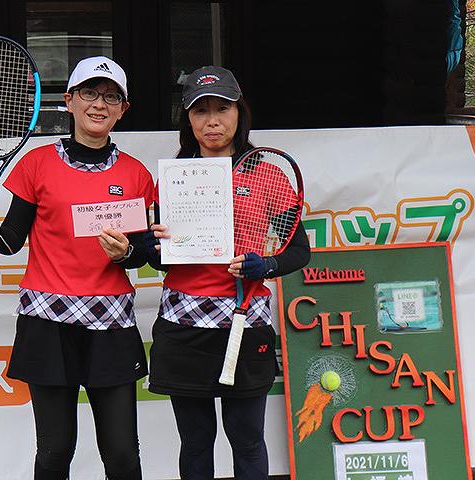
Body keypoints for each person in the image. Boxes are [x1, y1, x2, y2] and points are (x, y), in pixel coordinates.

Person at [0, 56, 154, 480]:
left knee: (122, 454)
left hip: (111, 322)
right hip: (47, 323)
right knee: (55, 451)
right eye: (89, 93)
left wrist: (125, 254)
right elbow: (11, 240)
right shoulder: (37, 164)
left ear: (123, 108)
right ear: (68, 101)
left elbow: (143, 254)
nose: (99, 104)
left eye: (111, 96)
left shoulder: (137, 174)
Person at [144, 66, 311, 480]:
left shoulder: (268, 174)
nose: (212, 121)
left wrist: (266, 265)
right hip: (183, 325)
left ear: (240, 113)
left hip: (246, 319)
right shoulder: (173, 177)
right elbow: (161, 259)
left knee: (247, 438)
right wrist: (154, 246)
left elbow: (299, 251)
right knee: (196, 441)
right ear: (188, 119)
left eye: (222, 108)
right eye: (201, 112)